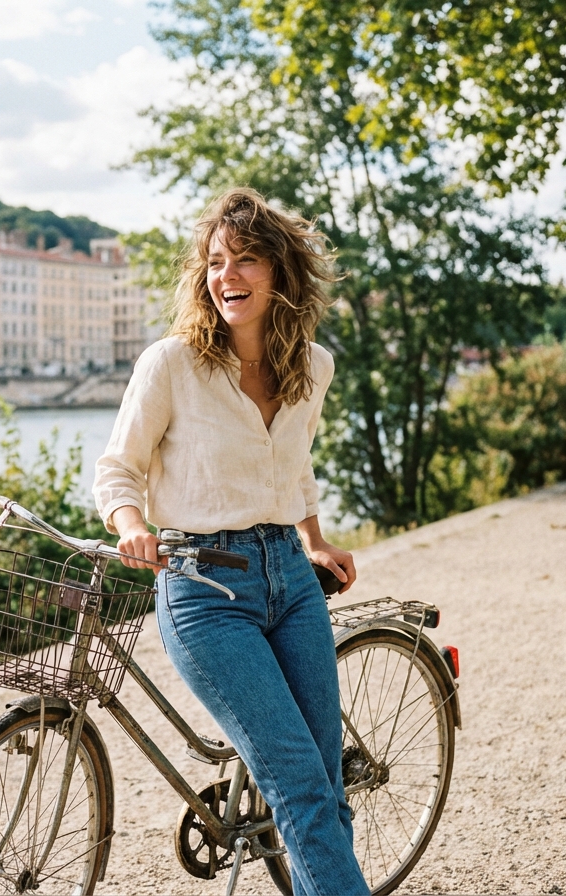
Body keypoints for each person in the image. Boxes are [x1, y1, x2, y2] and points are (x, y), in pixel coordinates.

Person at [93, 187, 369, 896]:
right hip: (205, 591)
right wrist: (132, 527)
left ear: (281, 273)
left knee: (327, 786)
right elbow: (119, 468)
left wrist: (314, 538)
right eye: (217, 261)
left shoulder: (314, 367)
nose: (228, 277)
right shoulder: (172, 365)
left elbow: (292, 463)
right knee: (301, 786)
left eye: (246, 260)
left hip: (290, 578)